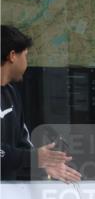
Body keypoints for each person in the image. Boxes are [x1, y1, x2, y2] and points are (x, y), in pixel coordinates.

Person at [1, 26, 81, 183]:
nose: (27, 63)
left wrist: (42, 164)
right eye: (25, 55)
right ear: (12, 56)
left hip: (6, 196)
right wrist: (34, 157)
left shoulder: (11, 94)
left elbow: (22, 143)